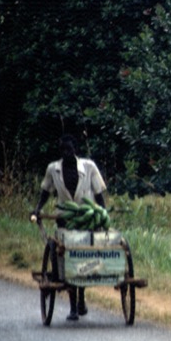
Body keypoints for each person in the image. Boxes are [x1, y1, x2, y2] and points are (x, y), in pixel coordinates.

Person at [32, 134, 107, 321]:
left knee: (82, 259)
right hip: (64, 220)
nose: (67, 153)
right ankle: (74, 305)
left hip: (85, 219)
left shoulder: (88, 167)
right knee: (68, 259)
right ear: (61, 152)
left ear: (75, 150)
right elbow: (45, 191)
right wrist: (37, 209)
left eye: (70, 150)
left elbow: (99, 193)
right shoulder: (53, 169)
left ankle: (80, 299)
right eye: (64, 150)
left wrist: (102, 216)